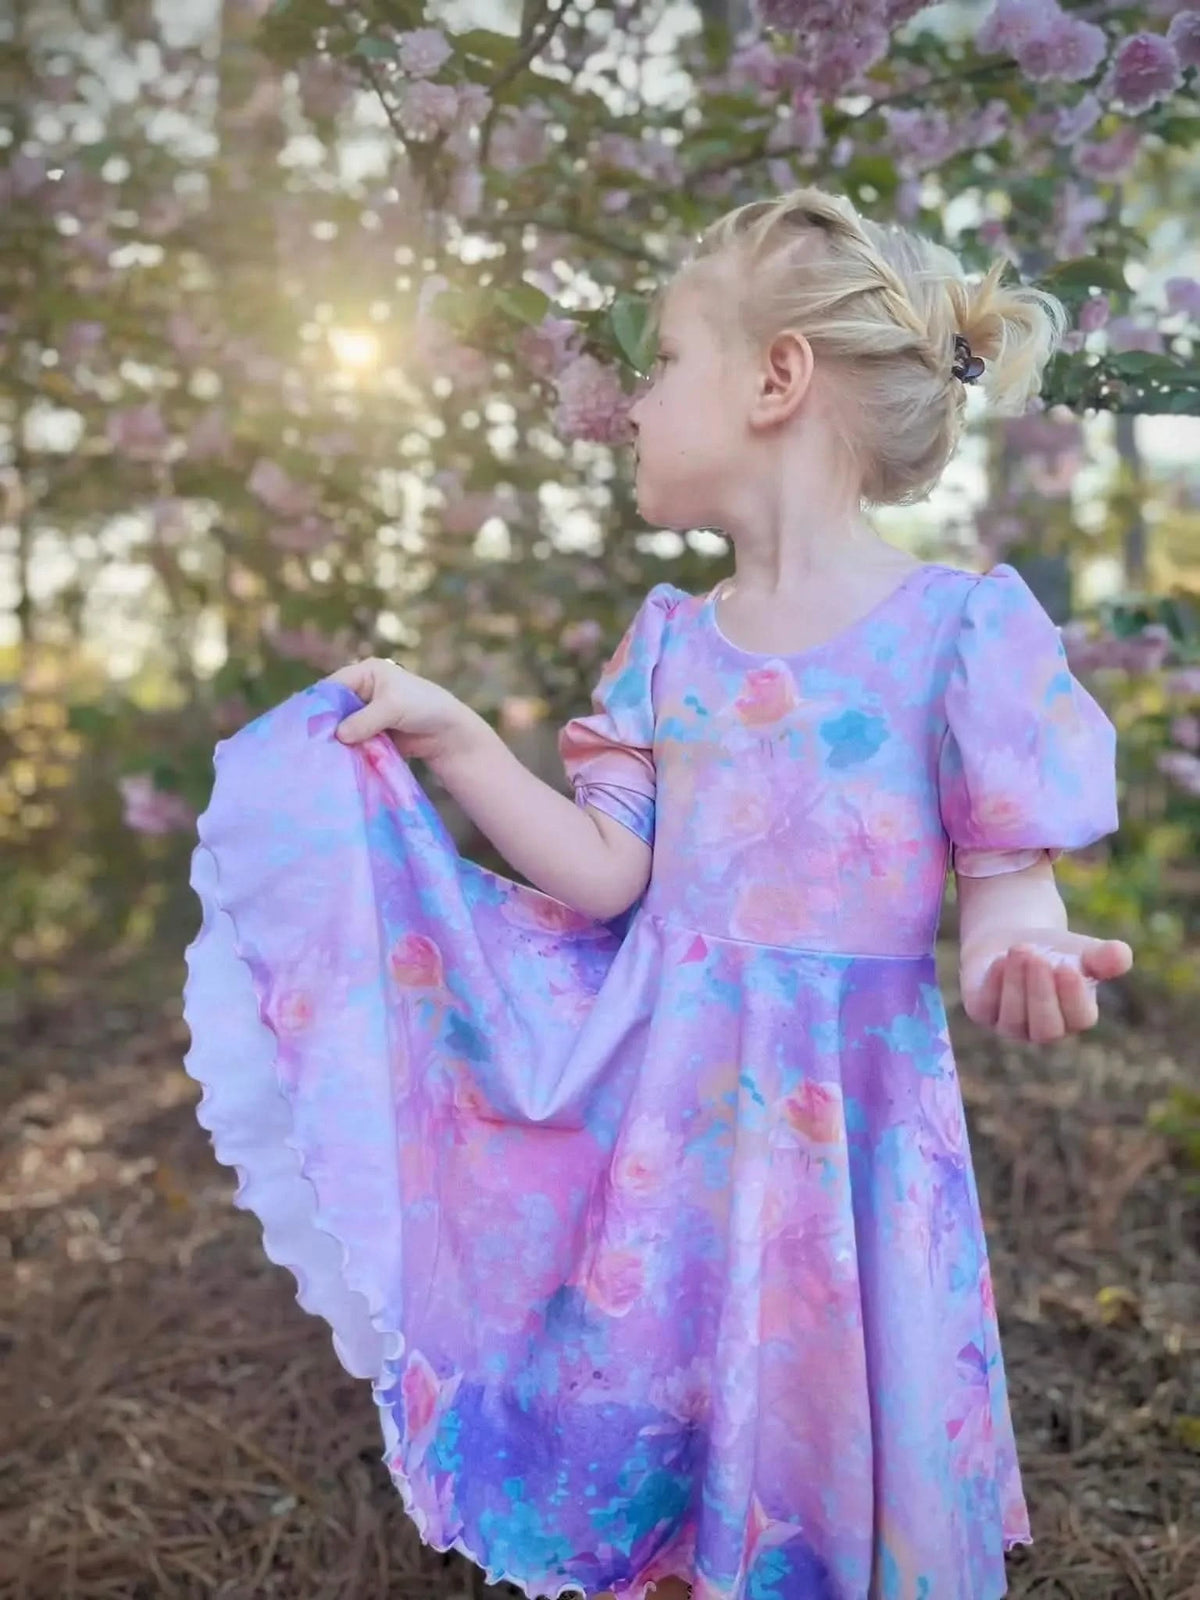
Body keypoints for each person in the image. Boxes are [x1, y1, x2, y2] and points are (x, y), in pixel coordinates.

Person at [183, 187, 1132, 1600]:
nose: (630, 403)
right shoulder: (672, 643)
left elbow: (1010, 880)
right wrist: (456, 740)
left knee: (819, 1450)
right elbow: (608, 870)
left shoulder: (961, 630)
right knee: (677, 1466)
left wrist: (1020, 949)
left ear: (776, 379)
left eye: (663, 361)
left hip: (845, 1143)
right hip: (671, 1144)